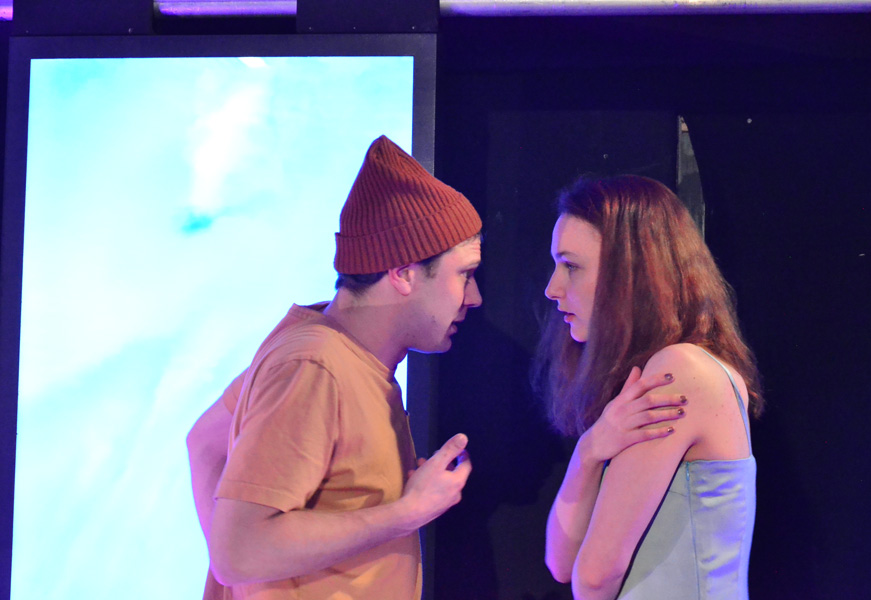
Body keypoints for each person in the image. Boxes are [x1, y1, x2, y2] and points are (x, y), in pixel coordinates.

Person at [186, 135, 483, 600]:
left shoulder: (321, 349)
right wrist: (405, 513)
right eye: (464, 274)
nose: (474, 297)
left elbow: (205, 442)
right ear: (403, 273)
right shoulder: (314, 366)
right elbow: (237, 551)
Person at [535, 175, 764, 600]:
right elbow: (561, 563)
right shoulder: (665, 370)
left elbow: (593, 580)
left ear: (631, 273)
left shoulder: (680, 371)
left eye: (571, 266)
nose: (553, 288)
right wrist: (588, 450)